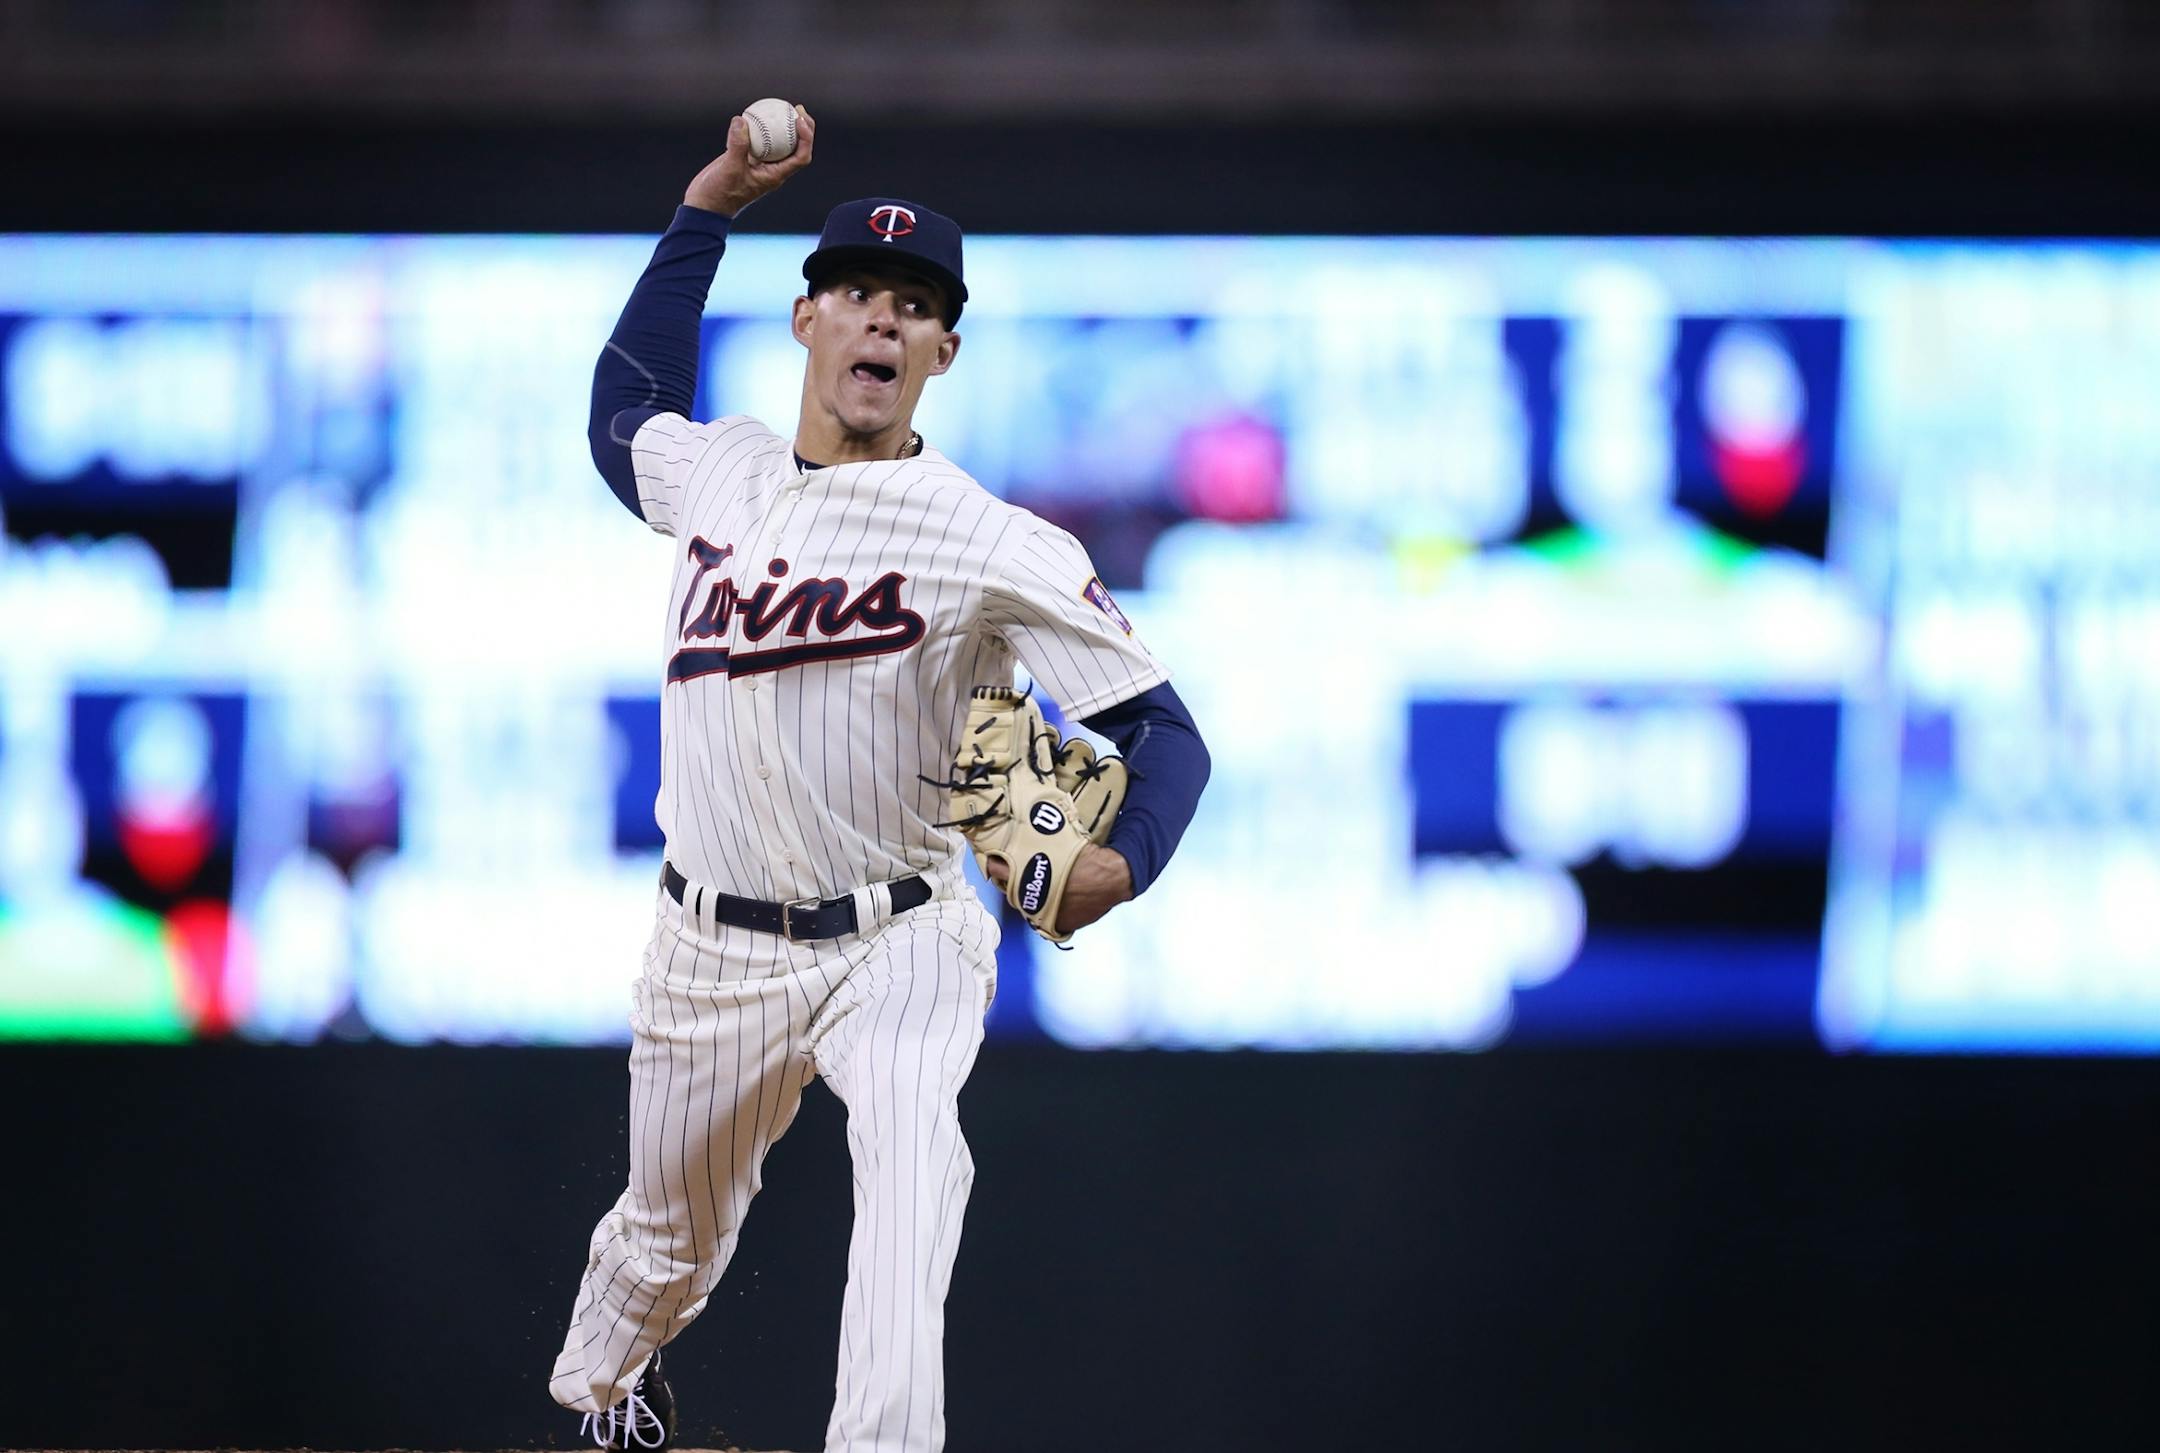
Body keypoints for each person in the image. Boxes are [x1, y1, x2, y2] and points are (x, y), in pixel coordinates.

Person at [548, 107, 1212, 1453]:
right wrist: (709, 203)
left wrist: (1120, 858)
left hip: (901, 931)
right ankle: (609, 1387)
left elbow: (1168, 732)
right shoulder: (717, 474)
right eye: (857, 291)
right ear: (807, 320)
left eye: (915, 307)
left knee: (916, 1172)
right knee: (666, 1238)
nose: (882, 321)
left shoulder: (985, 535)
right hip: (707, 944)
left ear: (942, 353)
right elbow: (623, 403)